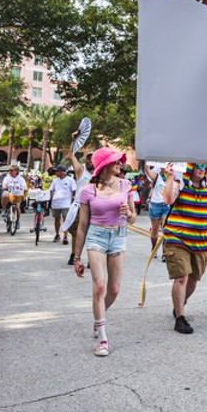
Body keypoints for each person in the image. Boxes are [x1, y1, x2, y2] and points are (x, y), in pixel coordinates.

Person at [73, 147, 137, 357]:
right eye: (116, 161)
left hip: (118, 236)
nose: (120, 164)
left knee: (114, 289)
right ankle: (102, 337)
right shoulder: (88, 191)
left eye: (120, 161)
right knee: (99, 286)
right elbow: (82, 226)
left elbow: (133, 217)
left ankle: (98, 316)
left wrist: (128, 213)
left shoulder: (126, 185)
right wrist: (76, 257)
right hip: (96, 237)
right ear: (104, 166)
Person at [163, 162, 207, 334]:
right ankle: (180, 318)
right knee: (182, 278)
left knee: (193, 281)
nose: (201, 169)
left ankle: (179, 304)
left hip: (201, 242)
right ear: (190, 167)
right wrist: (170, 177)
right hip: (177, 238)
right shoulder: (180, 182)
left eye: (204, 166)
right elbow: (168, 200)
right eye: (197, 165)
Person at [47, 166, 76, 243]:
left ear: (62, 172)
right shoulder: (55, 181)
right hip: (56, 203)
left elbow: (74, 190)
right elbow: (51, 190)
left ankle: (65, 236)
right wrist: (49, 199)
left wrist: (73, 199)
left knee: (65, 219)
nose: (55, 173)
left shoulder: (70, 180)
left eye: (57, 171)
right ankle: (57, 234)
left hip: (66, 204)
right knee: (57, 219)